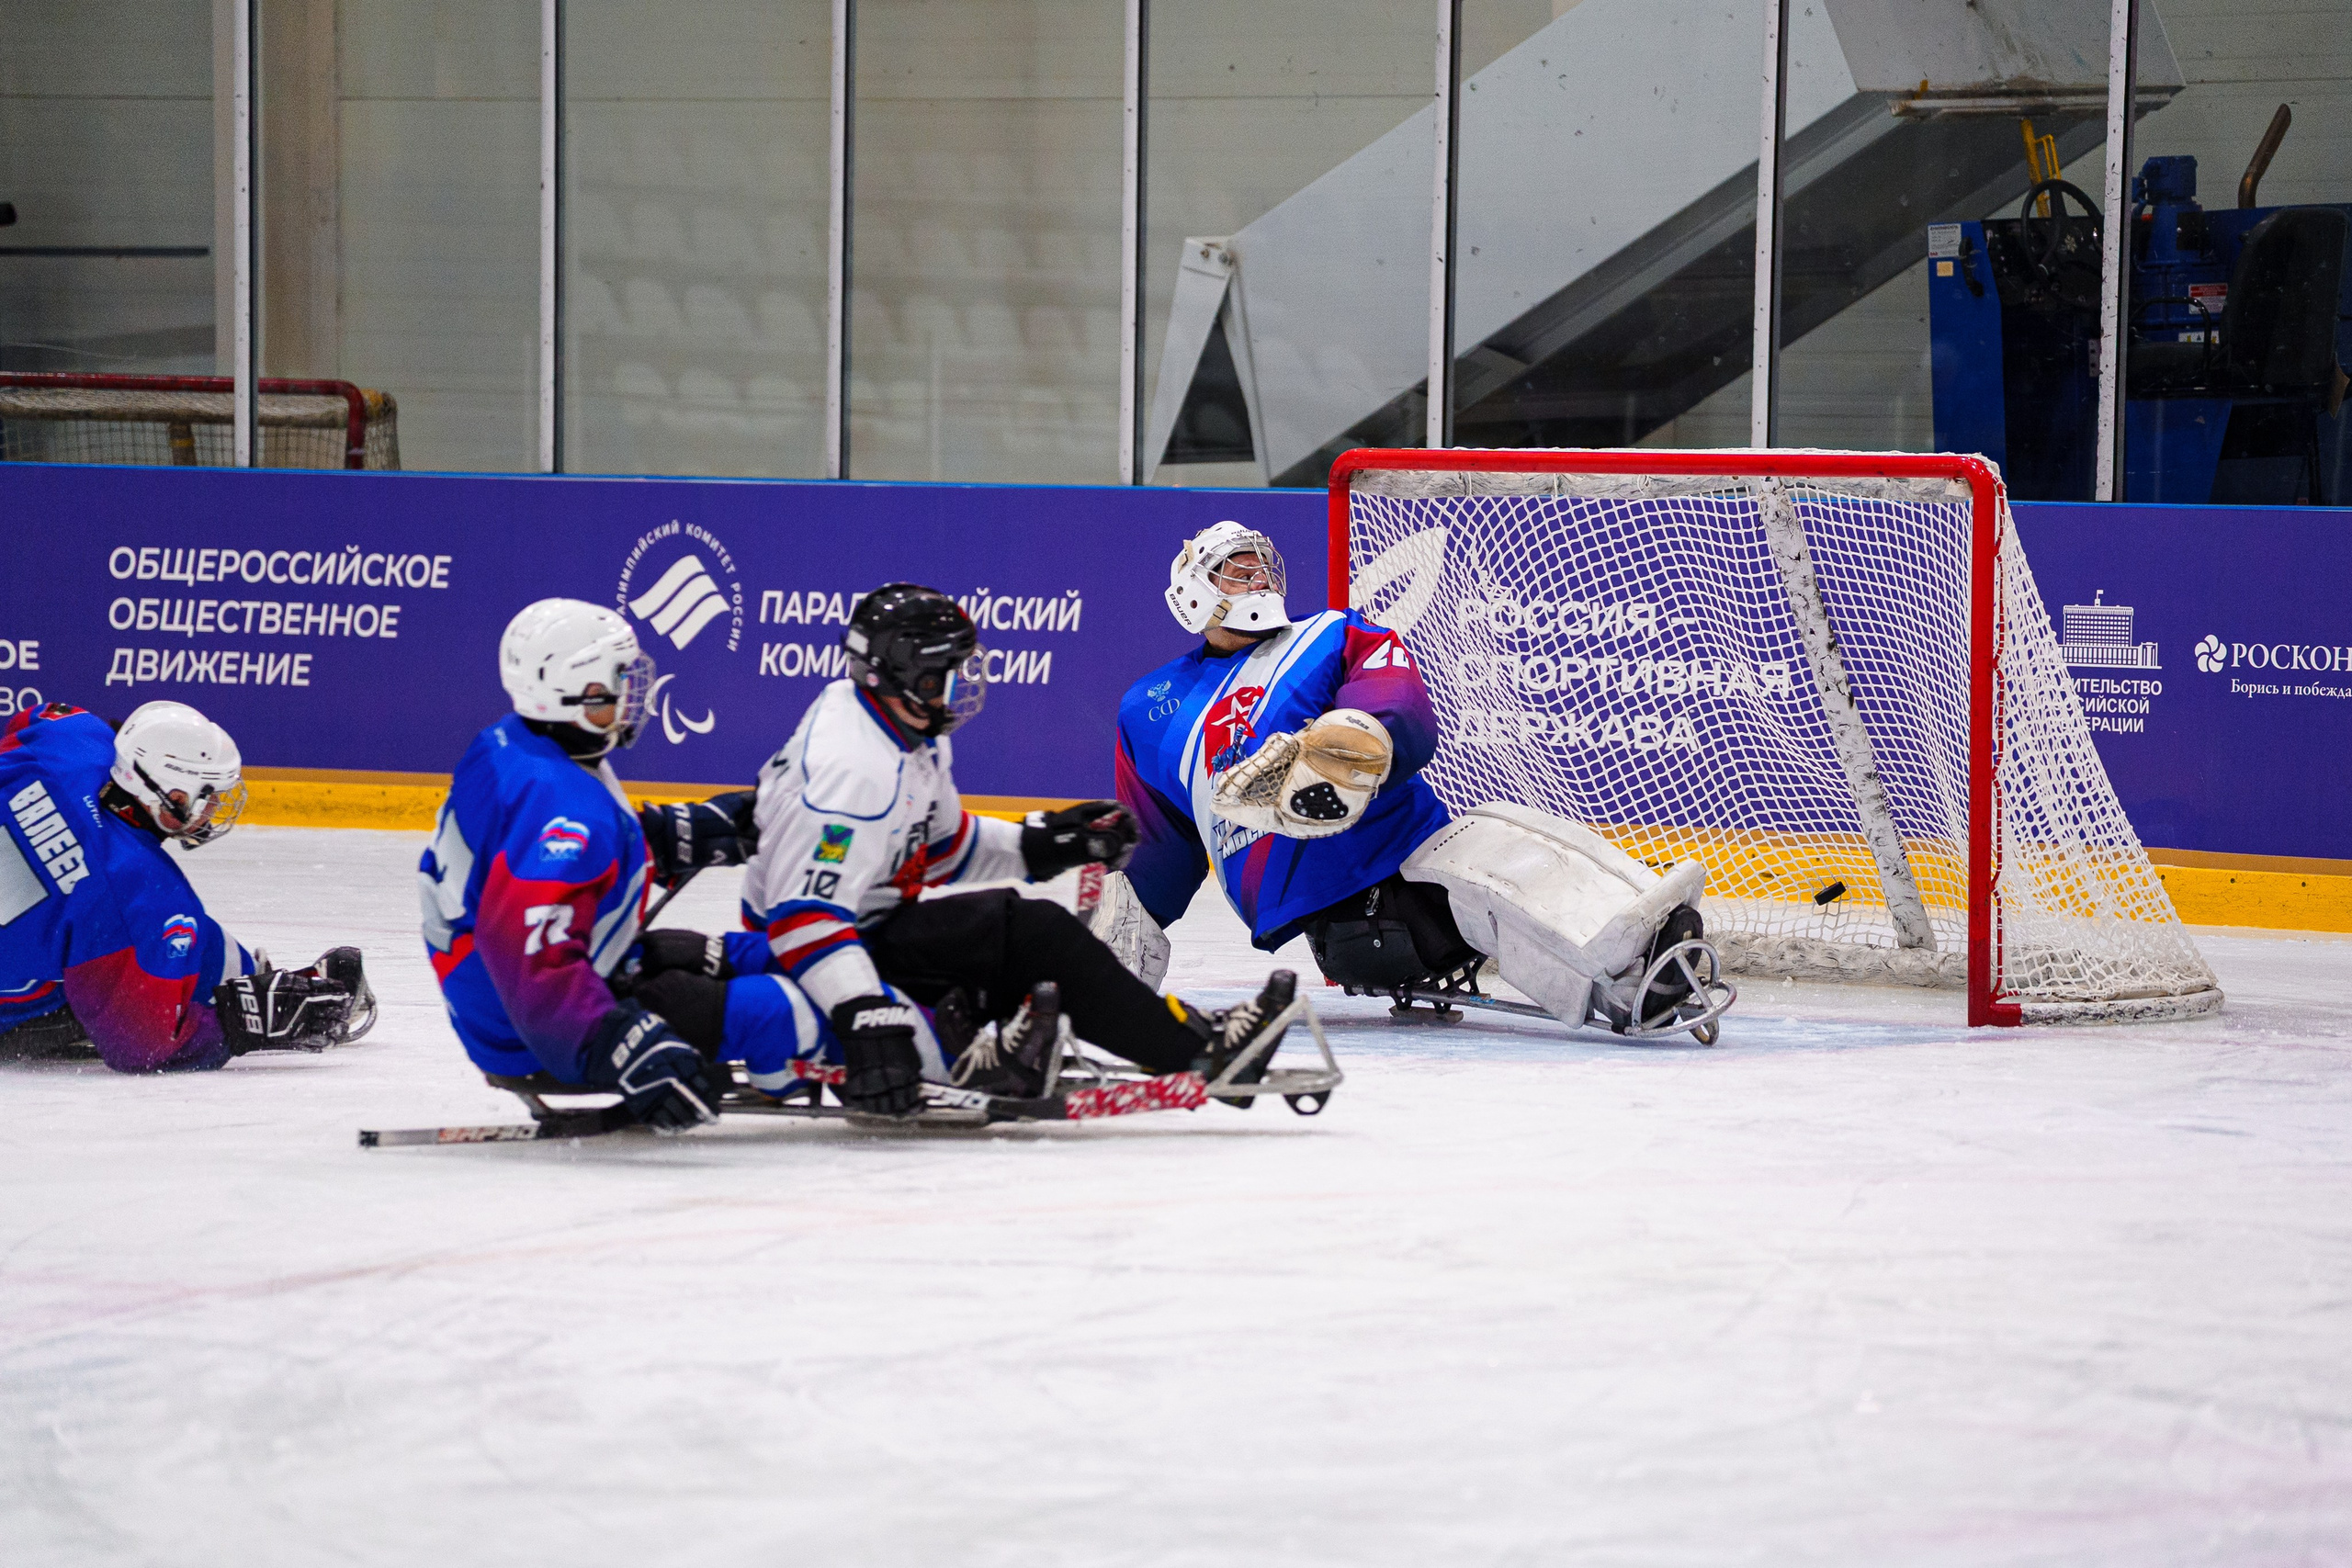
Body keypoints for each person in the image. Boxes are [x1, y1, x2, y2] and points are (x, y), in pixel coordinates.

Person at [1104, 523, 1728, 1041]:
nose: (1257, 580)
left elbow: (1400, 708)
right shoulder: (1148, 706)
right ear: (1191, 590)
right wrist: (1101, 974)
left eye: (1262, 568)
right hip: (1348, 919)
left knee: (1505, 832)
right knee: (1489, 858)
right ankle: (1636, 977)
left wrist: (1354, 749)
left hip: (1405, 866)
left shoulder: (1329, 633)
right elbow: (1156, 857)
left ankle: (1639, 943)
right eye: (1236, 571)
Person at [726, 582, 1300, 1118]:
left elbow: (945, 849)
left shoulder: (897, 726)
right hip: (808, 962)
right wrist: (865, 1018)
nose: (964, 679)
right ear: (912, 676)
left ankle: (1185, 1042)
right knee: (1027, 933)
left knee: (1025, 933)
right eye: (948, 668)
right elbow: (802, 922)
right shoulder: (850, 773)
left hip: (860, 932)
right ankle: (1185, 1047)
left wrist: (1043, 841)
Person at [421, 598, 953, 1131]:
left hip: (518, 999)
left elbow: (543, 860)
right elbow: (531, 954)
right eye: (618, 678)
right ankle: (944, 1065)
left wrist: (673, 833)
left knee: (792, 953)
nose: (633, 694)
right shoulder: (565, 812)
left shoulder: (510, 746)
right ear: (575, 691)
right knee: (785, 1009)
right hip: (536, 1030)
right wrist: (618, 1043)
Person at [0, 699, 372, 1071]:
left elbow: (29, 718)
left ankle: (248, 978)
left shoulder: (69, 737)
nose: (213, 810)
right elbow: (141, 1047)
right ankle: (250, 992)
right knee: (147, 951)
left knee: (160, 933)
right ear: (172, 796)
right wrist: (240, 1024)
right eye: (207, 796)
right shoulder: (142, 893)